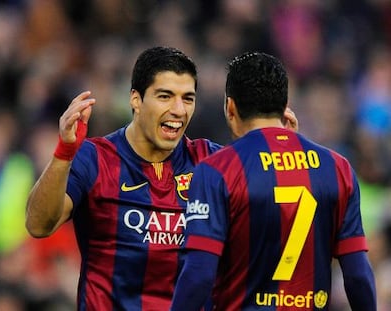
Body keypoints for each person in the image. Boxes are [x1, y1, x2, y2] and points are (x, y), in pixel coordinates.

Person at [25, 46, 298, 310]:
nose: (179, 109)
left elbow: (276, 231)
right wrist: (64, 152)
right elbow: (38, 225)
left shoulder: (213, 162)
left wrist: (280, 150)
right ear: (136, 99)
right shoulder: (95, 158)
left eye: (187, 98)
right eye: (165, 96)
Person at [170, 52, 377, 311]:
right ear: (285, 104)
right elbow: (357, 275)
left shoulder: (216, 171)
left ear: (231, 107)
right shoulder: (337, 168)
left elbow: (199, 274)